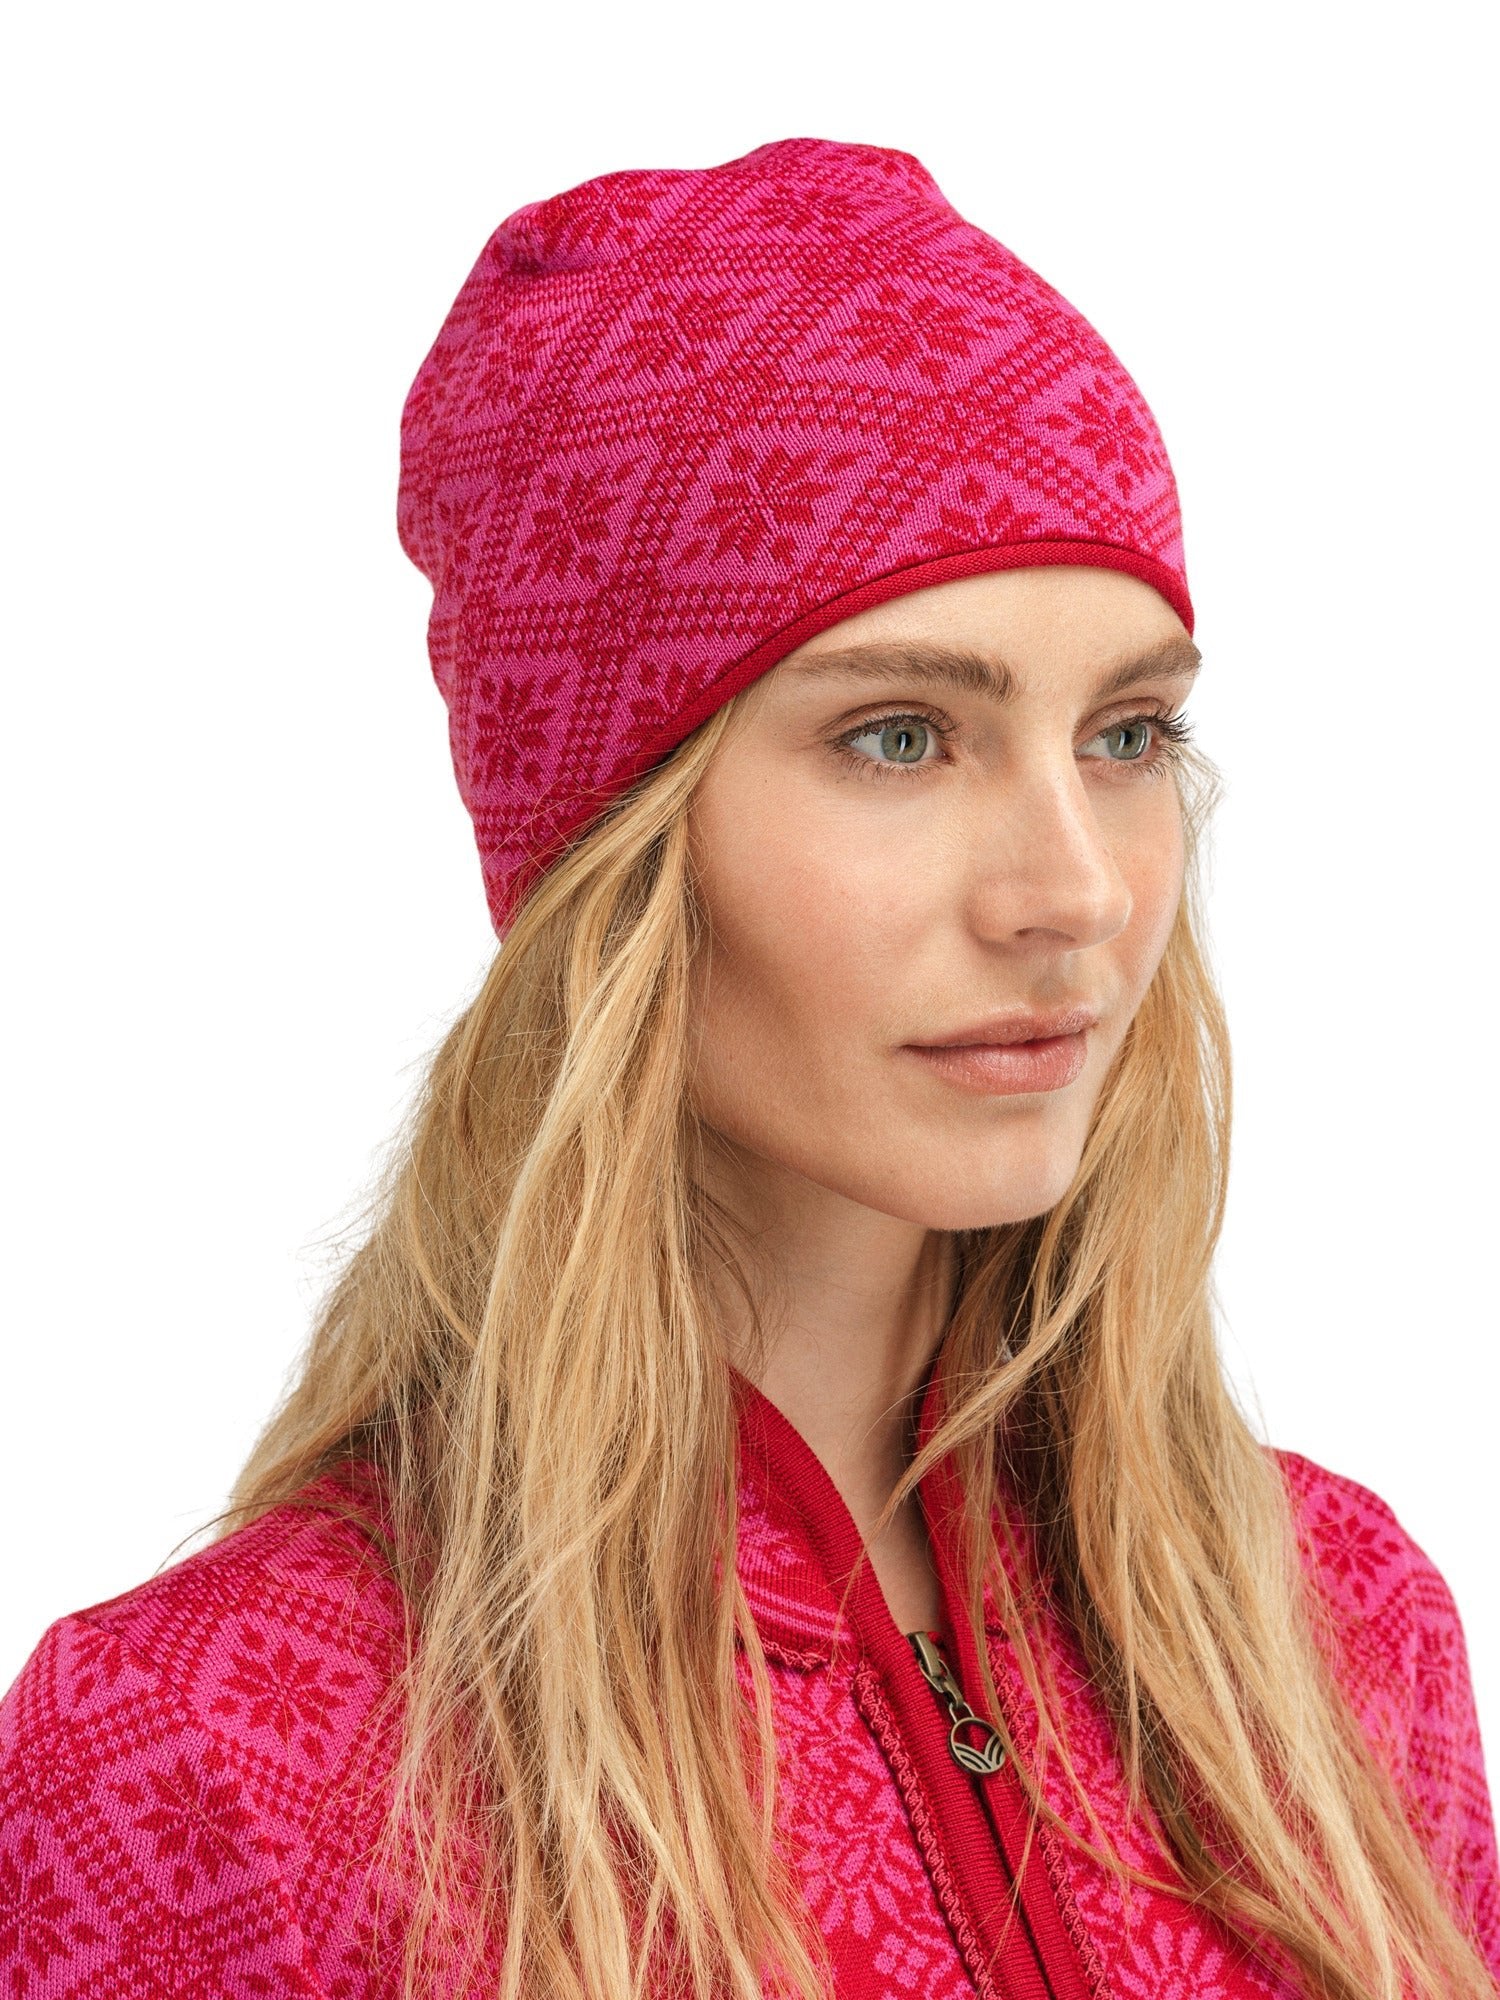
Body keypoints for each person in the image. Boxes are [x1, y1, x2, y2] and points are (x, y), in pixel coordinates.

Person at [1, 135, 1495, 2000]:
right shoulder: (208, 1757)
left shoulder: (1335, 1632)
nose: (1079, 893)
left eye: (1126, 732)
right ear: (605, 844)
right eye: (899, 736)